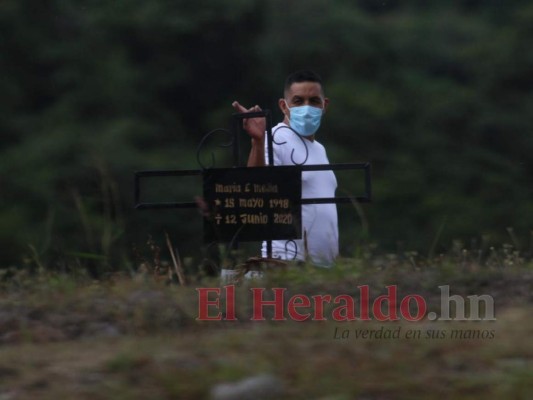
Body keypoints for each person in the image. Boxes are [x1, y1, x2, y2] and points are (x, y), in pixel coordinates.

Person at [232, 70, 338, 267]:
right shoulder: (277, 138)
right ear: (284, 105)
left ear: (325, 106)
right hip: (287, 262)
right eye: (298, 101)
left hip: (323, 267)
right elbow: (254, 188)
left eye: (314, 101)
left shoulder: (320, 149)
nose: (307, 108)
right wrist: (258, 141)